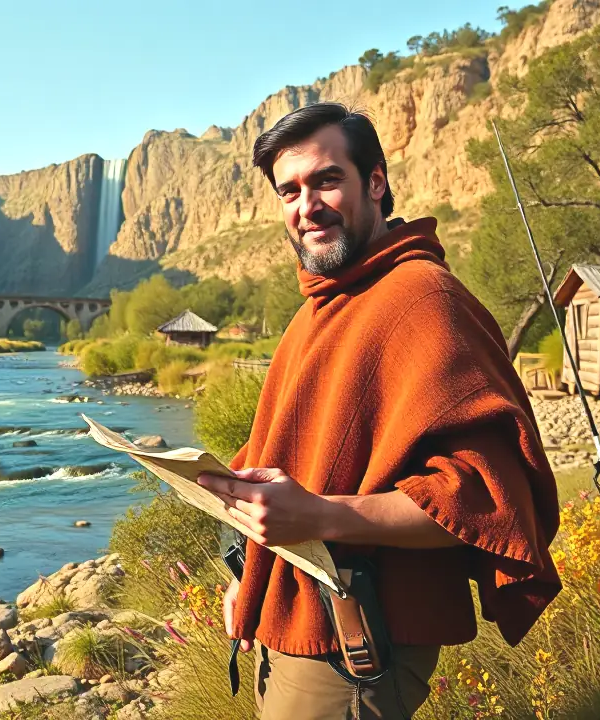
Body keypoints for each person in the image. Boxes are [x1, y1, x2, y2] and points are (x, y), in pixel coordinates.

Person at [195, 102, 562, 720]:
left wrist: (318, 515)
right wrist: (245, 570)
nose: (305, 206)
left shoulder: (422, 298)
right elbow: (278, 457)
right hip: (288, 622)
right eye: (289, 190)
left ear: (375, 183)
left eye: (326, 180)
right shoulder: (323, 304)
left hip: (354, 644)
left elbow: (486, 501)